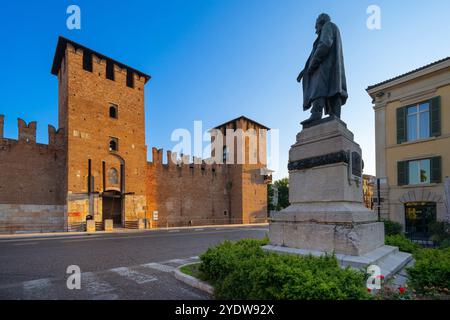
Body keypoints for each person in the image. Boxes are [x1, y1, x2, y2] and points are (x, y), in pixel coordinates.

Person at [297, 13, 348, 126]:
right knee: (334, 90)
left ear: (321, 21)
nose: (315, 28)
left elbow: (324, 44)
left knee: (319, 88)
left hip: (324, 67)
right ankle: (335, 117)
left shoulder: (328, 26)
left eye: (316, 25)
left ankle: (316, 113)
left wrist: (312, 65)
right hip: (331, 68)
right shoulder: (333, 28)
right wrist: (304, 70)